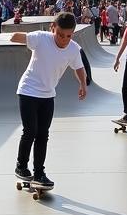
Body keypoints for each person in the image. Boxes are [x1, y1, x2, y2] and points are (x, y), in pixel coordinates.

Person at [8, 13, 87, 188]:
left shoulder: (73, 49)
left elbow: (79, 68)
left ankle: (39, 173)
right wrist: (18, 35)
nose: (64, 39)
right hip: (28, 90)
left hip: (48, 95)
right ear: (53, 28)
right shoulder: (41, 38)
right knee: (30, 130)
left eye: (68, 35)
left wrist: (83, 84)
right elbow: (14, 37)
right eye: (60, 34)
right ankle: (21, 166)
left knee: (43, 134)